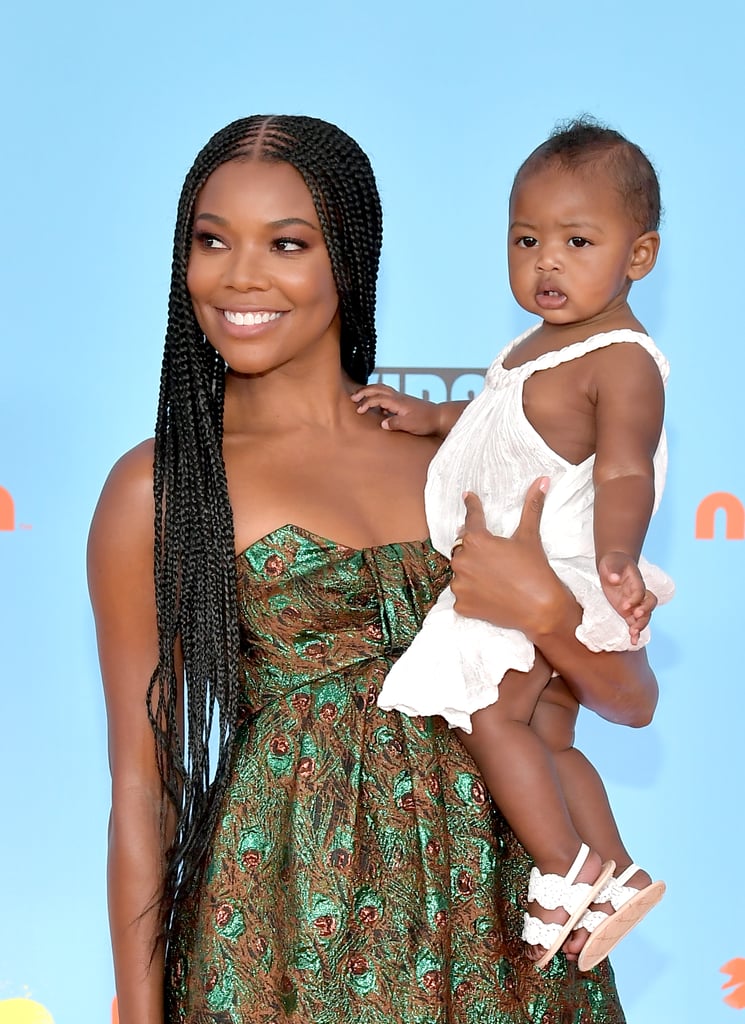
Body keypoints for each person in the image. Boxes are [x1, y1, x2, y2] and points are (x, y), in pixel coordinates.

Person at [87, 114, 659, 1024]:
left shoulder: (464, 462)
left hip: (500, 935)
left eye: (285, 243)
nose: (239, 275)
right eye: (210, 240)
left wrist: (546, 610)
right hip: (278, 943)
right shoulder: (161, 487)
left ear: (345, 258)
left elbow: (630, 701)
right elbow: (141, 784)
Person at [352, 117, 670, 971]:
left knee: (490, 718)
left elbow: (627, 470)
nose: (545, 261)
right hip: (520, 572)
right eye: (526, 238)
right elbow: (502, 428)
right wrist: (433, 417)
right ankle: (616, 874)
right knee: (551, 740)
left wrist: (613, 559)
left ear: (636, 257)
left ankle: (562, 867)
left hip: (557, 567)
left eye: (576, 240)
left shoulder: (621, 359)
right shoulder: (531, 348)